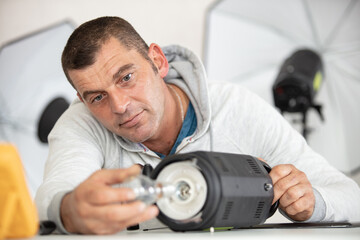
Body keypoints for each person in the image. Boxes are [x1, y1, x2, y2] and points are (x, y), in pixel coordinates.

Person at [35, 16, 360, 235]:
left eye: (127, 78)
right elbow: (51, 196)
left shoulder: (236, 107)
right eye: (96, 97)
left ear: (158, 61)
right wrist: (68, 211)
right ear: (81, 98)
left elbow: (351, 196)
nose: (119, 106)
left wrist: (311, 202)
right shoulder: (81, 121)